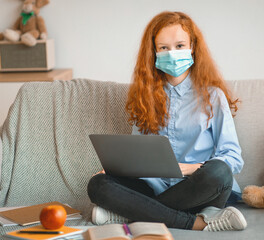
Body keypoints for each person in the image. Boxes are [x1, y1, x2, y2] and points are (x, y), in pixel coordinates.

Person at [88, 11, 247, 232]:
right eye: (164, 48)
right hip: (155, 187)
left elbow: (233, 158)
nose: (172, 53)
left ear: (193, 47)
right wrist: (114, 170)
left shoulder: (213, 96)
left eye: (180, 45)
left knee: (219, 172)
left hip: (199, 188)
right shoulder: (145, 97)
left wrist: (192, 168)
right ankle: (194, 222)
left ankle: (131, 214)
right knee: (98, 185)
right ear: (153, 52)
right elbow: (136, 156)